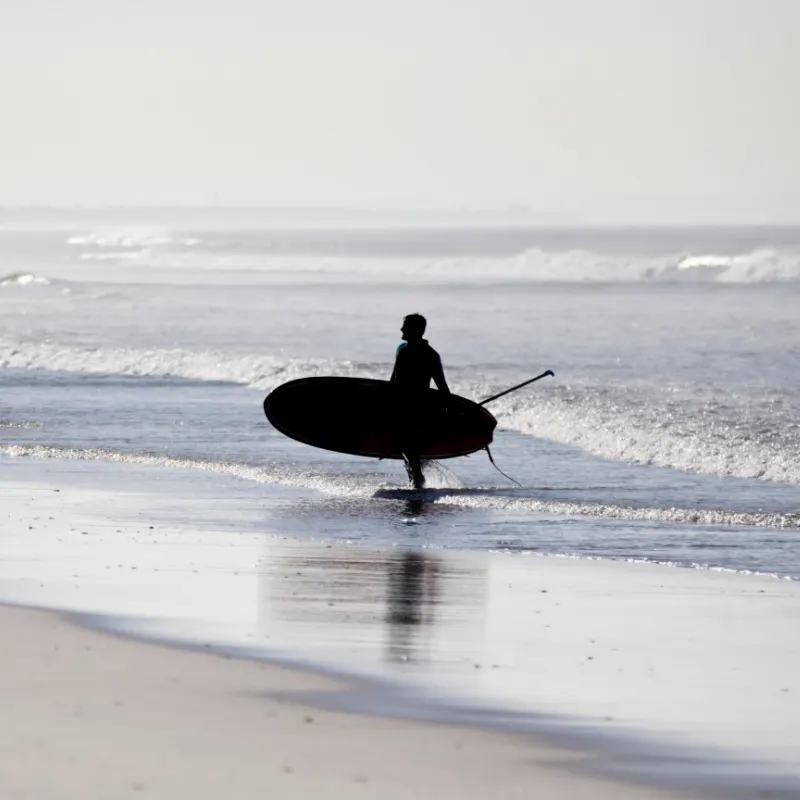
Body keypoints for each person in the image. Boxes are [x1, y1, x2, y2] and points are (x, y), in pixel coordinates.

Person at [390, 313, 450, 489]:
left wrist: (450, 408)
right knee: (407, 447)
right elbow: (393, 380)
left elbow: (441, 384)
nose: (401, 329)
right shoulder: (402, 350)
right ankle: (415, 482)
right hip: (402, 406)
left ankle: (417, 481)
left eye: (405, 326)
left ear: (416, 330)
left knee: (408, 444)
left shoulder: (430, 355)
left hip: (420, 408)